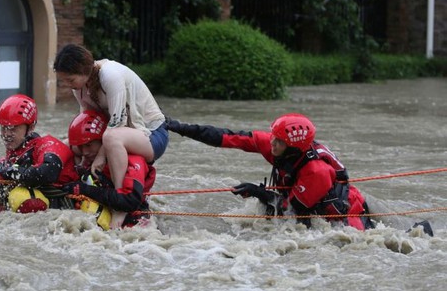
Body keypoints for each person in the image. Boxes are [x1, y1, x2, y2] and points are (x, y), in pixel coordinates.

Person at [166, 113, 374, 231]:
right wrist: (181, 128)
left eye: (278, 141)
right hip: (304, 199)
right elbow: (228, 137)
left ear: (292, 147)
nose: (271, 143)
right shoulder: (280, 145)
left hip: (346, 217)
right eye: (273, 137)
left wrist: (257, 192)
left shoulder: (316, 171)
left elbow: (292, 212)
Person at [53, 43, 168, 194]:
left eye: (71, 80)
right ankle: (58, 186)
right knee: (70, 143)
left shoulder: (110, 75)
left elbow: (117, 124)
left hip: (152, 135)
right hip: (119, 134)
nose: (68, 85)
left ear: (83, 70)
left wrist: (100, 157)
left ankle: (120, 198)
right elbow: (88, 122)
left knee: (111, 137)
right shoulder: (79, 87)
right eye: (64, 81)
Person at [0, 94, 79, 216]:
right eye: (3, 128)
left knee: (24, 198)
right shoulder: (10, 157)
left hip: (63, 205)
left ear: (31, 127)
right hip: (28, 213)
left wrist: (12, 172)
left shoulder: (48, 145)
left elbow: (48, 172)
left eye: (13, 129)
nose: (6, 134)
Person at [61, 109, 156, 230]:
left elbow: (129, 201)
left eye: (88, 145)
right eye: (81, 147)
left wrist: (83, 189)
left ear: (102, 141)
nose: (85, 152)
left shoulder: (133, 161)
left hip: (132, 221)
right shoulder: (88, 158)